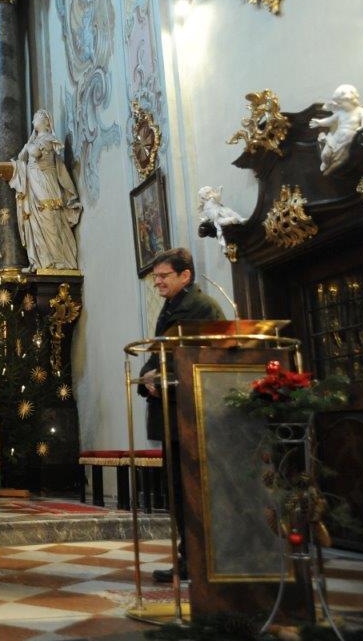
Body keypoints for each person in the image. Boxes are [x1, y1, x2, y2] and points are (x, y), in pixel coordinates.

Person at [137, 248, 224, 583]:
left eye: (163, 276)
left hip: (191, 415)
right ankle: (189, 558)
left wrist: (160, 378)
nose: (157, 282)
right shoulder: (174, 306)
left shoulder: (200, 308)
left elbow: (204, 357)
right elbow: (158, 353)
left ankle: (201, 561)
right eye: (155, 277)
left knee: (193, 490)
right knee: (178, 489)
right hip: (174, 415)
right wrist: (147, 378)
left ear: (185, 275)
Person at [7, 110, 82, 271]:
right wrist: (28, 144)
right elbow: (21, 158)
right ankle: (41, 261)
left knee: (49, 219)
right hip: (33, 186)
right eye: (34, 118)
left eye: (37, 118)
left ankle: (58, 260)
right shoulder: (35, 140)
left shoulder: (48, 138)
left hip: (45, 184)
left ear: (47, 122)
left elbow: (35, 153)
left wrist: (29, 145)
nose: (33, 120)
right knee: (35, 222)